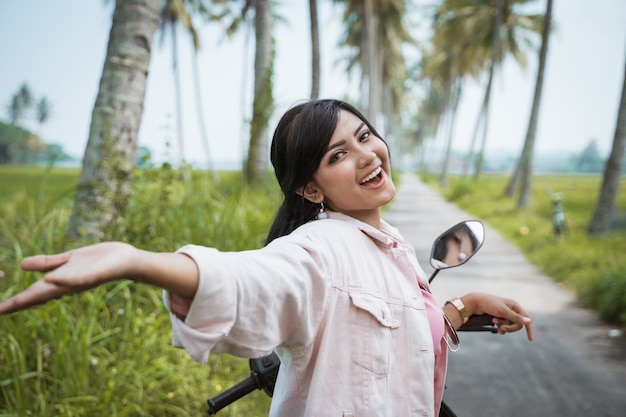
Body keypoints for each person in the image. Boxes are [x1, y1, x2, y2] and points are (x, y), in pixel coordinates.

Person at [0, 99, 533, 417]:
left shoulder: (391, 244)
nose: (367, 155)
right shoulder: (319, 251)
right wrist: (136, 261)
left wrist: (462, 306)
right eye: (338, 155)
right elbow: (252, 280)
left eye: (365, 136)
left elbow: (391, 331)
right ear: (311, 188)